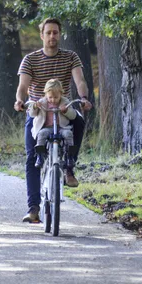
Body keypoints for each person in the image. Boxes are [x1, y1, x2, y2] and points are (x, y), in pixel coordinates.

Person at [14, 17, 92, 224]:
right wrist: (20, 101)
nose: (52, 36)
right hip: (38, 112)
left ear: (60, 34)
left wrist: (83, 98)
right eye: (48, 33)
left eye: (55, 32)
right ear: (41, 35)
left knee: (79, 121)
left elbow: (80, 80)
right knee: (32, 158)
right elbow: (23, 86)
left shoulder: (70, 57)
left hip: (62, 108)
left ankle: (69, 165)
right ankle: (33, 208)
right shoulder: (30, 59)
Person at [29, 79, 77, 169]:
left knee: (68, 134)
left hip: (61, 127)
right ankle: (40, 156)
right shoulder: (42, 102)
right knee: (41, 134)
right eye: (50, 97)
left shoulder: (65, 102)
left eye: (56, 97)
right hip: (47, 127)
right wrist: (35, 106)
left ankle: (69, 156)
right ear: (46, 94)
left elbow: (73, 116)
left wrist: (66, 110)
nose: (53, 100)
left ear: (61, 94)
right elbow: (32, 114)